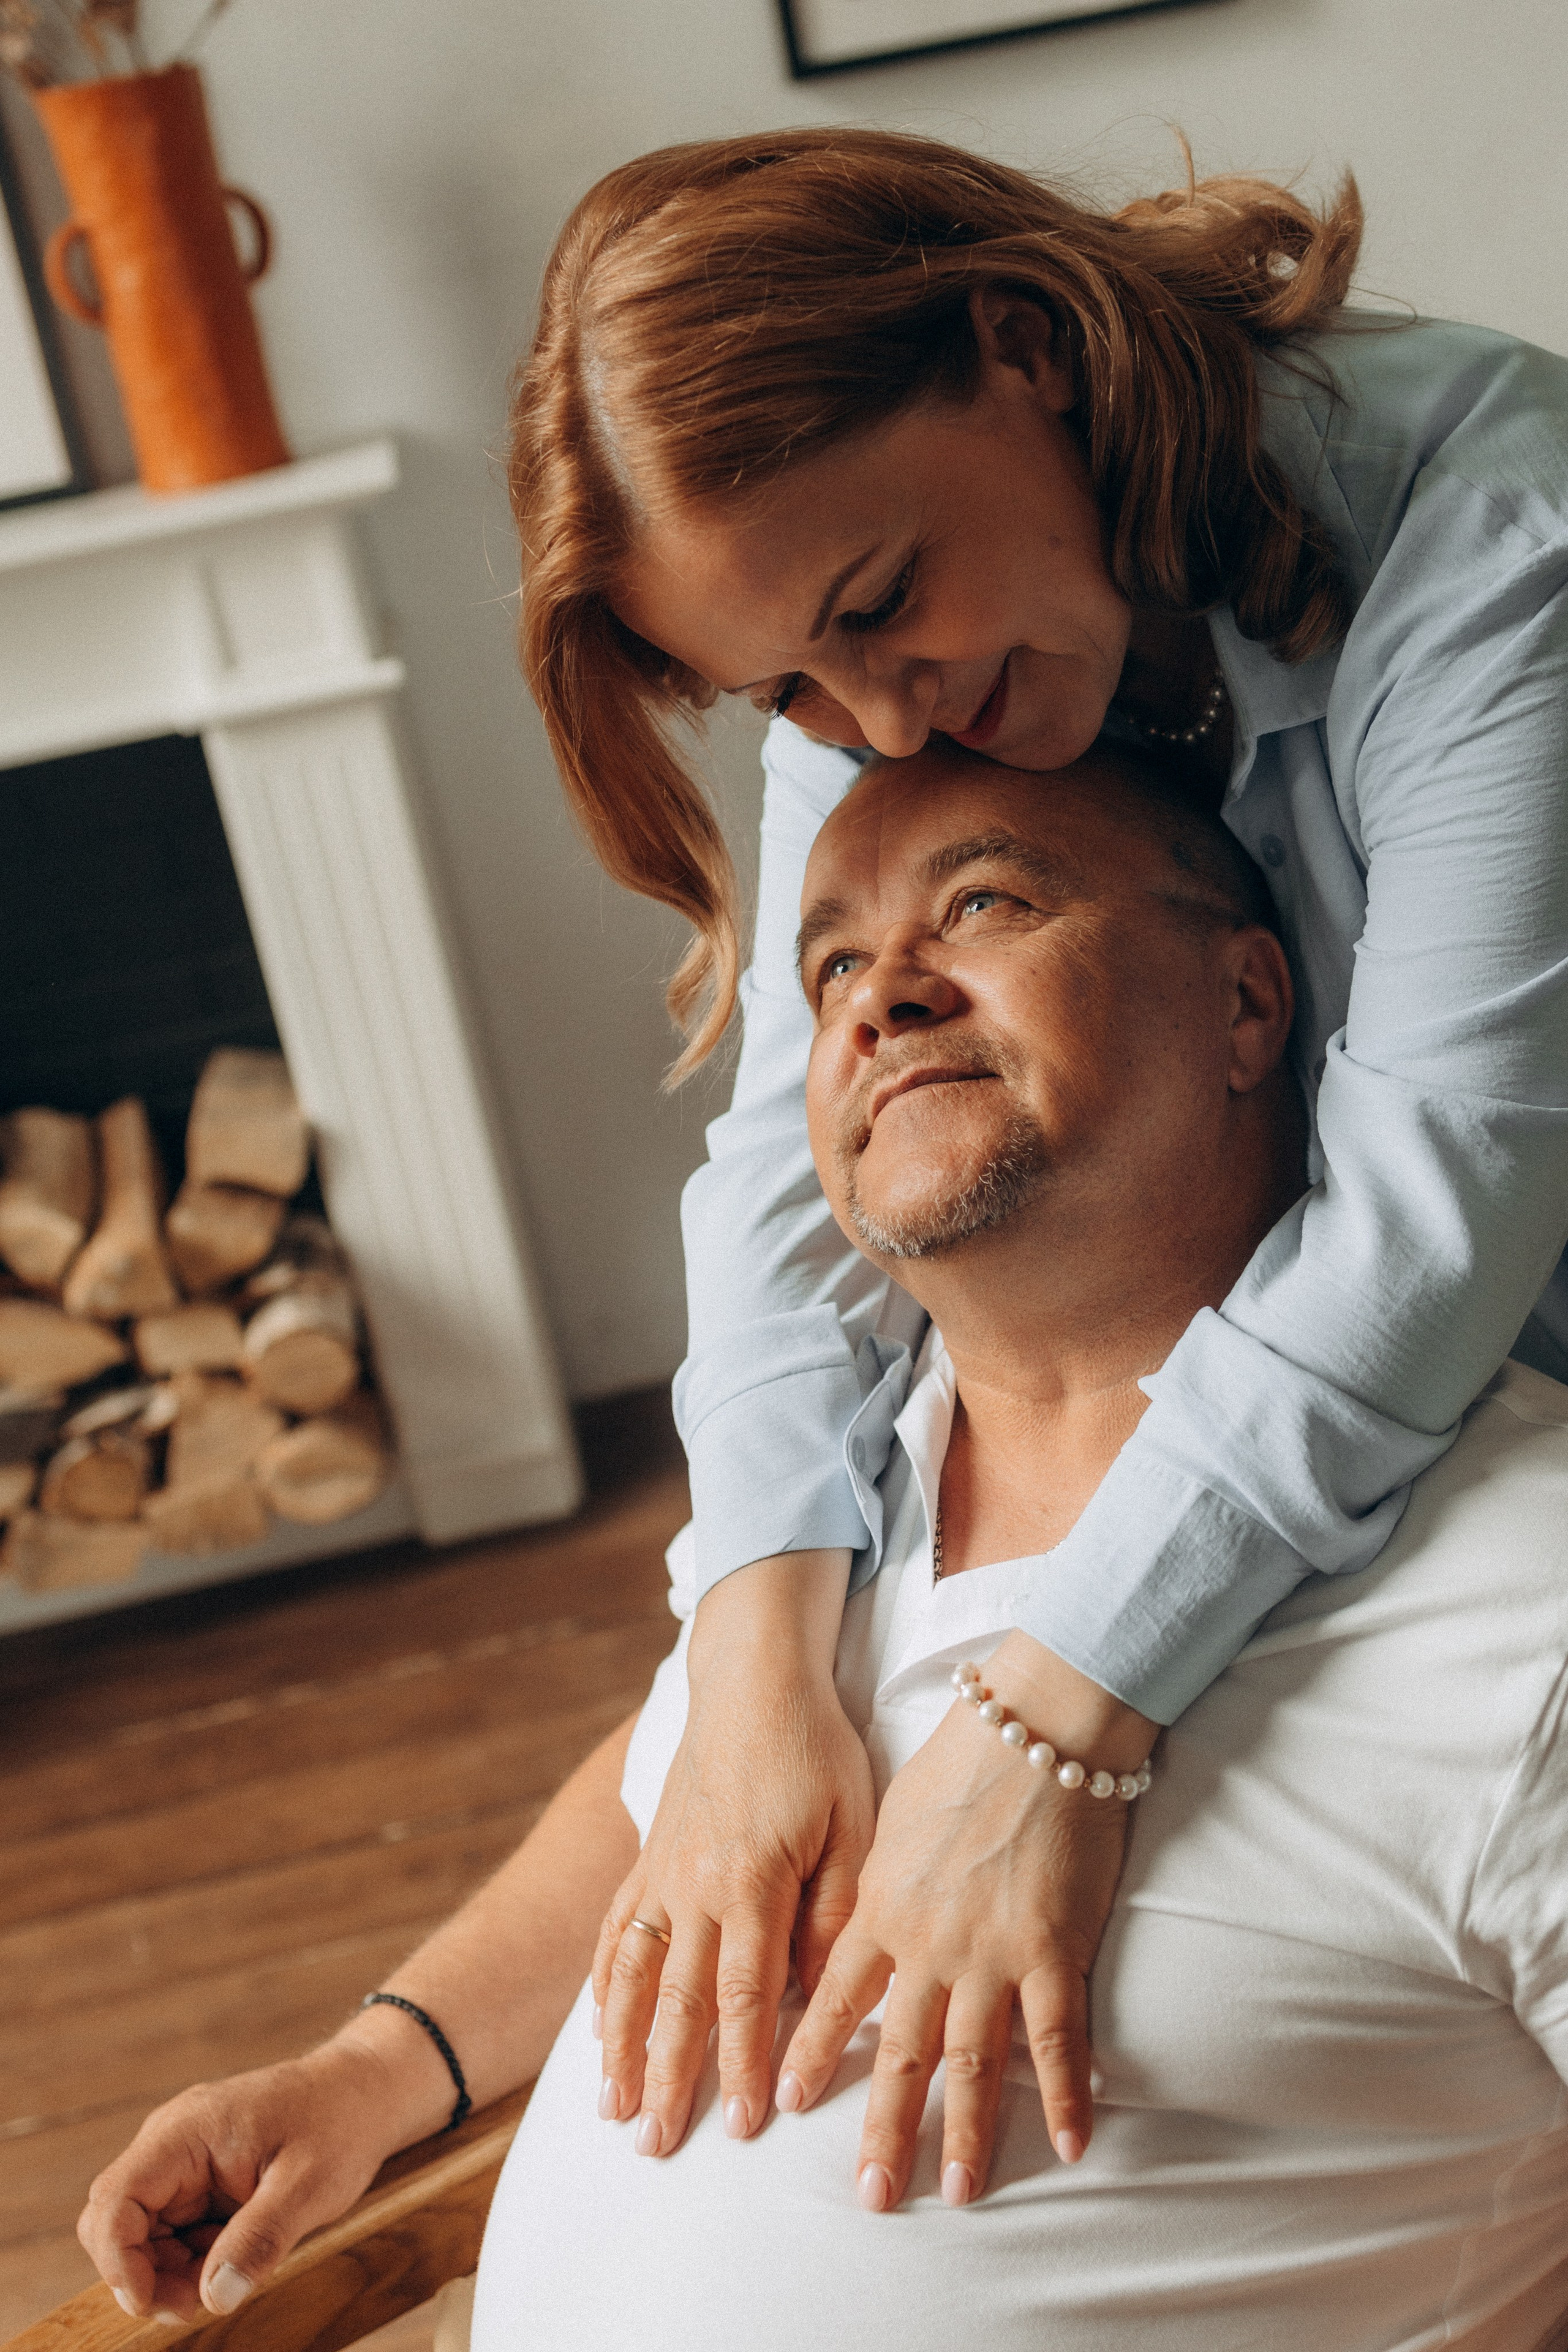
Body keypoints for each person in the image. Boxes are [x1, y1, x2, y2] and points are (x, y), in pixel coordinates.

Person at [81, 744, 1568, 2352]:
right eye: (834, 964)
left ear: (1247, 1003)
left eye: (986, 904)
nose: (883, 997)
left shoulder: (1518, 1601)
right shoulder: (822, 1503)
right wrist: (375, 2068)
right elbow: (675, 1795)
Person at [508, 126, 1568, 2180]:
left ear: (1026, 346)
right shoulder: (884, 670)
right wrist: (749, 1673)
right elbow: (770, 1199)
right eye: (789, 693)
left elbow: (1440, 1216)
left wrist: (1047, 1721)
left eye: (878, 607)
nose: (880, 732)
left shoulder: (1500, 526)